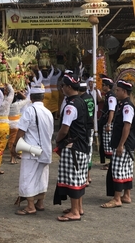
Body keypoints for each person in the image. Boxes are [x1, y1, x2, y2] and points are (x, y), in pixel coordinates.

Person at [12, 81, 54, 215]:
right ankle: (40, 202)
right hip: (45, 149)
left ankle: (30, 206)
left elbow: (21, 131)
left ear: (31, 97)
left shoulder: (30, 110)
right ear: (42, 97)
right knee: (42, 176)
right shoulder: (48, 112)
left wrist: (14, 145)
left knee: (28, 176)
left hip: (31, 150)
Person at [54, 72, 89, 222]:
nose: (62, 88)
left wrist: (57, 139)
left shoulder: (71, 105)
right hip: (82, 145)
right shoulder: (81, 101)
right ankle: (78, 208)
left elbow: (65, 128)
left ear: (68, 87)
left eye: (63, 85)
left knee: (73, 178)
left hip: (73, 147)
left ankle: (74, 211)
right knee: (80, 178)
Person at [101, 80, 135, 208]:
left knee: (118, 170)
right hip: (126, 142)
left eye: (118, 90)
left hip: (124, 143)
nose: (116, 92)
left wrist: (121, 144)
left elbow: (127, 126)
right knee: (126, 169)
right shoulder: (123, 105)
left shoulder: (127, 106)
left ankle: (116, 198)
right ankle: (126, 195)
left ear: (124, 91)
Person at [0, 83, 14, 174]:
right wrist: (7, 84)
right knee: (0, 148)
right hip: (4, 127)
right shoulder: (7, 102)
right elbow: (12, 92)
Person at [78, 82, 95, 186]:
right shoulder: (90, 97)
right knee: (89, 152)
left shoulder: (80, 100)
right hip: (91, 127)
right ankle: (88, 176)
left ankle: (85, 178)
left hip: (84, 129)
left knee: (84, 152)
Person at [98, 76, 117, 169]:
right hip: (106, 121)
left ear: (108, 86)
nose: (102, 86)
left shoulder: (111, 97)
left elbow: (111, 111)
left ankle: (112, 163)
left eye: (103, 85)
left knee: (109, 143)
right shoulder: (108, 95)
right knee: (106, 143)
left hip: (109, 123)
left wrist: (109, 124)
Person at [8, 90, 30, 164]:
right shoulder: (17, 104)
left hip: (7, 124)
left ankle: (12, 156)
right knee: (14, 141)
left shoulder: (5, 104)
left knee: (9, 141)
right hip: (15, 125)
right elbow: (27, 99)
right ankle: (12, 158)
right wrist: (19, 92)